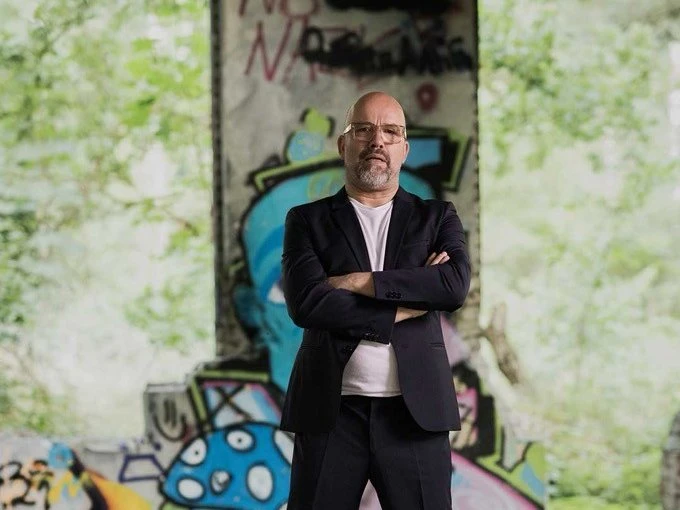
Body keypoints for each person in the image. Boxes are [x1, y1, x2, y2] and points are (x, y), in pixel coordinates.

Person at [280, 91, 471, 510]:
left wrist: (358, 281)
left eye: (391, 131)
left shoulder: (437, 217)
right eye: (363, 129)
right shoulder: (307, 221)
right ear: (343, 144)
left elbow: (452, 286)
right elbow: (307, 303)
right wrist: (406, 303)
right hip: (330, 414)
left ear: (404, 148)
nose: (377, 141)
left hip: (415, 416)